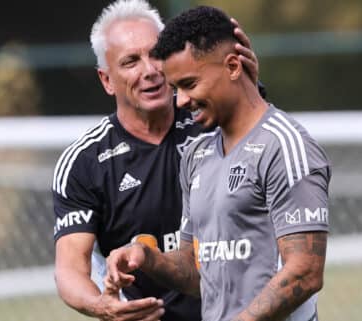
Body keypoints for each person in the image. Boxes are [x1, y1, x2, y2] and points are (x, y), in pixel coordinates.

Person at [105, 6, 331, 321]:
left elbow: (305, 271)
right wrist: (146, 257)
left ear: (234, 66)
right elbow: (197, 270)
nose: (180, 101)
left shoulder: (283, 145)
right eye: (175, 89)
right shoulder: (197, 156)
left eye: (189, 84)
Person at [52, 1, 260, 320]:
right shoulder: (84, 163)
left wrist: (246, 88)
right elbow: (69, 269)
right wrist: (101, 306)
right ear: (106, 80)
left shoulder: (217, 118)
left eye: (155, 54)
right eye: (131, 61)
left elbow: (269, 149)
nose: (149, 70)